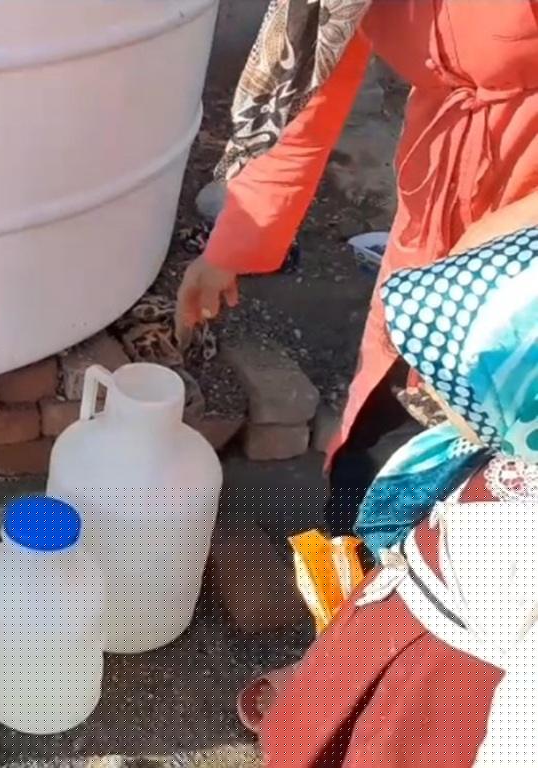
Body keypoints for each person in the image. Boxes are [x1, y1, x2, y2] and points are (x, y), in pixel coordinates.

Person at [175, 0, 538, 725]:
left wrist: (499, 249)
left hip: (520, 264)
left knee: (491, 503)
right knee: (372, 459)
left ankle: (444, 703)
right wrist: (230, 250)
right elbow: (305, 95)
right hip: (439, 219)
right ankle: (344, 663)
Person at [257, 201, 538, 766]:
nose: (426, 389)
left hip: (441, 704)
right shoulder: (507, 453)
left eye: (453, 383)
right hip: (404, 635)